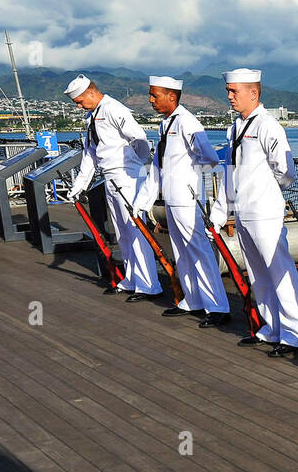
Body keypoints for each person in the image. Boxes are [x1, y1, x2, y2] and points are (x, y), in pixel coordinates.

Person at [208, 68, 298, 357]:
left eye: (233, 91)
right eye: (228, 91)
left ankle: (295, 334)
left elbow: (286, 172)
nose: (229, 97)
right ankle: (271, 327)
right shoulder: (236, 128)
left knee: (279, 272)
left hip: (264, 212)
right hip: (242, 212)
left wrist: (261, 189)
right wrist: (219, 213)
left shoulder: (268, 126)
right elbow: (230, 173)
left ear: (253, 93)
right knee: (257, 273)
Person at [134, 75, 232, 328]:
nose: (151, 100)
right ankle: (192, 299)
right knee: (181, 251)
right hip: (171, 199)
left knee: (199, 251)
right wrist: (143, 201)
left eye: (155, 95)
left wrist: (187, 174)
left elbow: (209, 158)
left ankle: (218, 306)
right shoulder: (166, 125)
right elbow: (158, 166)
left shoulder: (188, 122)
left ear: (172, 96)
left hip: (188, 199)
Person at [66, 74, 162, 301]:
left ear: (91, 91)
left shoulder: (113, 109)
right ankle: (131, 279)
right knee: (122, 232)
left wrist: (134, 167)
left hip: (126, 177)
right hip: (110, 177)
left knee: (136, 229)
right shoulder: (93, 116)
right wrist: (79, 185)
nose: (79, 107)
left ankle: (149, 284)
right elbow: (90, 154)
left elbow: (138, 139)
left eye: (80, 102)